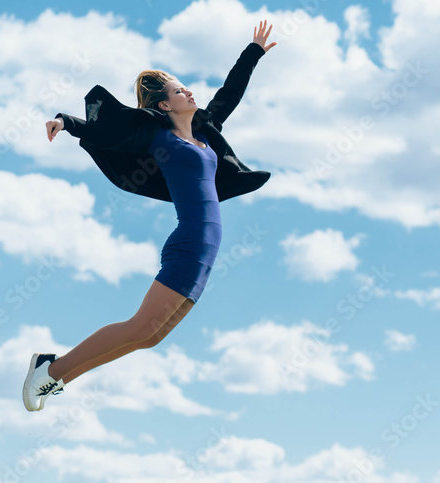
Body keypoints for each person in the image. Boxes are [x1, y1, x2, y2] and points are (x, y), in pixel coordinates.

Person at [22, 20, 276, 411]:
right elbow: (108, 132)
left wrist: (252, 53)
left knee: (150, 337)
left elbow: (229, 95)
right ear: (163, 105)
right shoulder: (159, 137)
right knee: (139, 326)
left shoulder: (205, 133)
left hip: (207, 252)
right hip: (190, 243)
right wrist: (67, 122)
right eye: (179, 91)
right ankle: (50, 370)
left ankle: (53, 379)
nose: (189, 91)